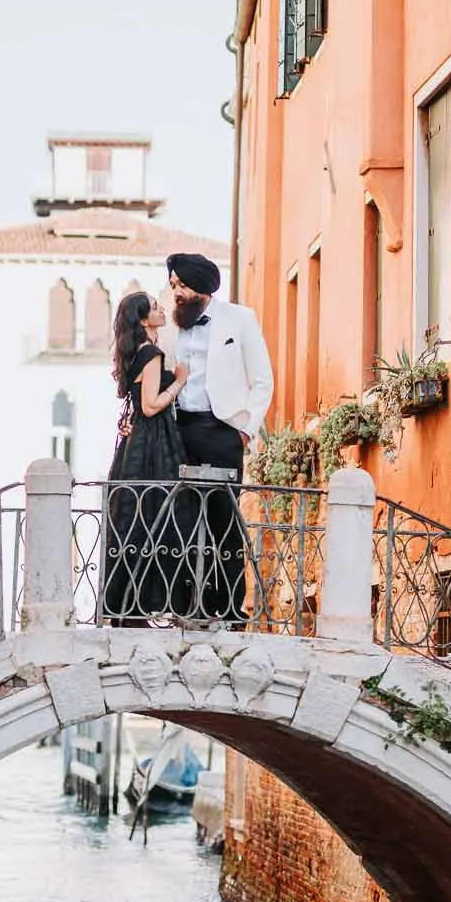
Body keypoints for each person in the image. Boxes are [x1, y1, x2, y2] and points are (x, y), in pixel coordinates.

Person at [164, 252, 274, 625]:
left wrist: (244, 430)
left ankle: (227, 607)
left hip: (222, 431)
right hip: (178, 431)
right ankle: (184, 604)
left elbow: (262, 381)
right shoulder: (170, 325)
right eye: (173, 284)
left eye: (182, 284)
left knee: (223, 522)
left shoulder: (239, 319)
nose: (176, 291)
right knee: (180, 520)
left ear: (202, 286)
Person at [101, 292, 189, 625]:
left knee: (138, 518)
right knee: (159, 515)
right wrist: (179, 381)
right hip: (153, 440)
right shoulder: (150, 353)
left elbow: (137, 405)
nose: (161, 308)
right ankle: (149, 604)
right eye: (154, 307)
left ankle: (130, 605)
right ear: (142, 320)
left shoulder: (139, 351)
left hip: (138, 438)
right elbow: (151, 405)